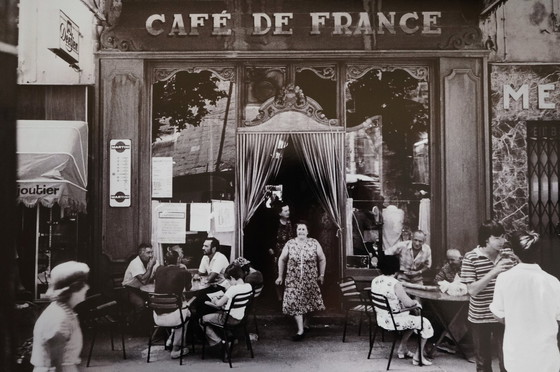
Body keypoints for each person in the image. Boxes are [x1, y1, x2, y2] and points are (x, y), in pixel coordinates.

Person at [490, 230, 560, 372]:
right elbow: (558, 317)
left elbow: (497, 314)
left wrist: (517, 318)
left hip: (517, 353)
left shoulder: (505, 278)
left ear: (514, 252)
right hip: (546, 355)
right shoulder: (553, 282)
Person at [461, 220, 514, 372]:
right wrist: (495, 271)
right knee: (483, 363)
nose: (502, 241)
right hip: (480, 316)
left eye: (503, 236)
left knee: (507, 361)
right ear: (486, 239)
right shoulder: (471, 257)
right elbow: (472, 290)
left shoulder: (506, 256)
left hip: (503, 315)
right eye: (497, 237)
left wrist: (517, 261)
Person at [371, 255, 434, 366]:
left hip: (381, 318)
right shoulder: (396, 284)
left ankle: (402, 348)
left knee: (412, 318)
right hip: (394, 321)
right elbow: (408, 303)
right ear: (396, 268)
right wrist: (416, 303)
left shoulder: (375, 280)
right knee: (425, 323)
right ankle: (418, 357)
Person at [31, 261, 90, 372]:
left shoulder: (64, 311)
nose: (87, 287)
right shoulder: (58, 318)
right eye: (83, 284)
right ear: (72, 288)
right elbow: (54, 365)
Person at [275, 220, 326, 341]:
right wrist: (280, 276)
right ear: (296, 231)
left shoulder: (314, 243)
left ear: (307, 231)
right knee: (295, 303)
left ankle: (306, 323)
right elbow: (281, 259)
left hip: (310, 279)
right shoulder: (290, 243)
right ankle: (300, 331)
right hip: (293, 279)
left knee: (310, 302)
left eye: (303, 229)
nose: (301, 231)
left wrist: (322, 274)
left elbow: (322, 259)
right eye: (299, 229)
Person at [201, 264, 253, 349]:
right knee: (216, 313)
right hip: (241, 318)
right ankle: (228, 338)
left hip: (228, 319)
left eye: (228, 281)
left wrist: (214, 300)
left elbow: (218, 304)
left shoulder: (232, 289)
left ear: (232, 278)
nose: (228, 283)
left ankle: (219, 343)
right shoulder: (249, 286)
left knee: (202, 319)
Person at [153, 249, 193, 359]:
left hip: (157, 316)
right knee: (187, 315)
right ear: (178, 260)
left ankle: (171, 339)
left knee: (183, 314)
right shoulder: (183, 272)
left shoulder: (158, 269)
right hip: (174, 316)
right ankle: (176, 348)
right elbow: (189, 289)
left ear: (165, 261)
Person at [269, 202, 294, 301]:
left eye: (288, 210)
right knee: (277, 272)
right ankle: (279, 297)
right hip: (277, 250)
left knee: (288, 272)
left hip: (288, 250)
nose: (288, 212)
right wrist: (271, 251)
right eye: (286, 211)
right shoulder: (274, 223)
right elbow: (269, 238)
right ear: (280, 213)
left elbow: (291, 237)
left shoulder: (290, 223)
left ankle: (286, 296)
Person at [122, 243, 159, 310]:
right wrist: (150, 266)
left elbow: (159, 272)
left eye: (151, 252)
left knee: (155, 302)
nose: (151, 255)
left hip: (143, 289)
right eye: (148, 253)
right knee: (140, 304)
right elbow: (143, 281)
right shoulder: (135, 263)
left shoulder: (151, 261)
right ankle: (134, 320)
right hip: (130, 289)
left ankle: (149, 320)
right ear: (140, 253)